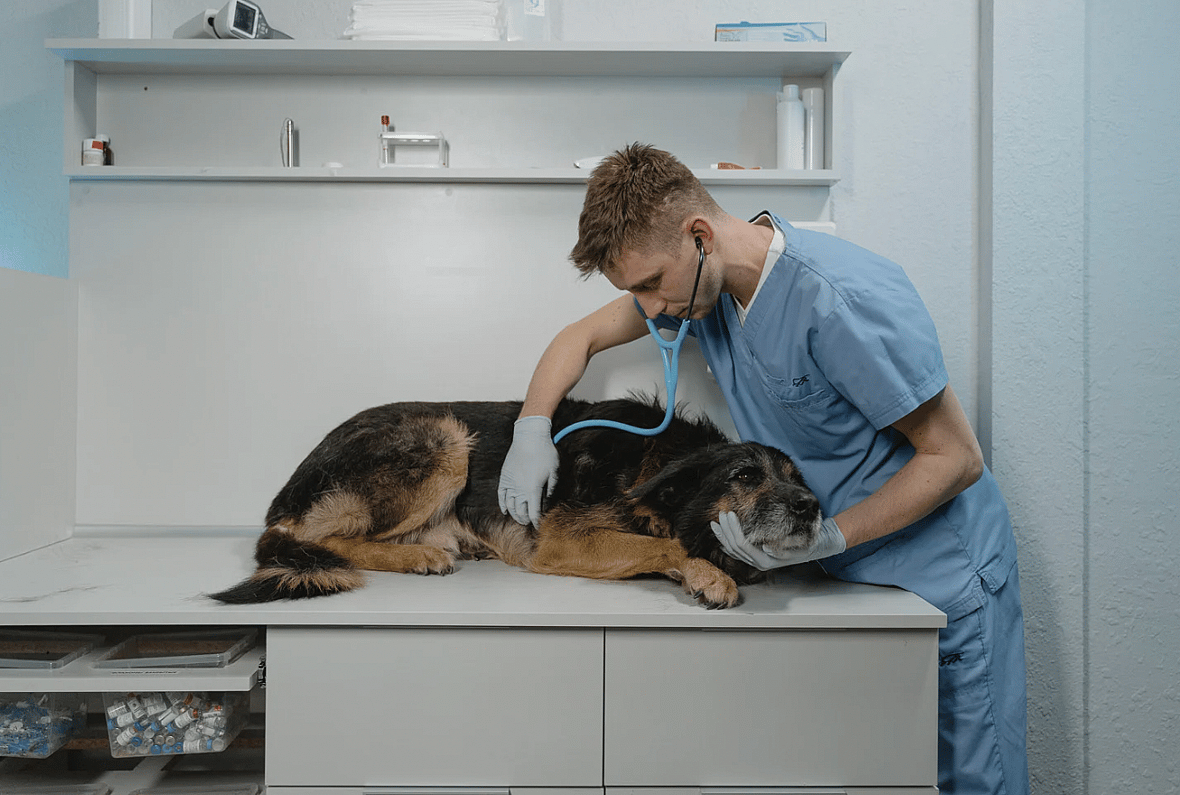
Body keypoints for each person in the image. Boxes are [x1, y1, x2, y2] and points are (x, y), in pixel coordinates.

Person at [496, 143, 1028, 795]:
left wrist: (830, 535)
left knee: (968, 780)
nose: (650, 309)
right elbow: (577, 338)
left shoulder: (840, 297)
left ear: (698, 237)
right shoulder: (701, 288)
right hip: (846, 582)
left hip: (939, 576)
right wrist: (531, 426)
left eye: (648, 285)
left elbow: (957, 457)